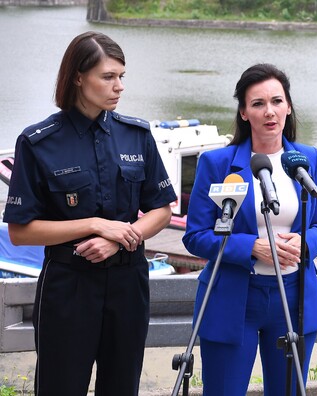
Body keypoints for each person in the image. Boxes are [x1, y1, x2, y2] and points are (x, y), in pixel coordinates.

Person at [3, 31, 177, 396]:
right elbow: (21, 232)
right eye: (108, 77)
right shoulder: (38, 142)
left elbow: (161, 209)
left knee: (121, 388)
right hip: (69, 286)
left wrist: (119, 240)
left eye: (121, 77)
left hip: (129, 283)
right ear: (78, 77)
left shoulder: (136, 135)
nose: (119, 87)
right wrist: (95, 225)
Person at [182, 63, 317, 395]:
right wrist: (251, 247)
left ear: (289, 107)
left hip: (294, 296)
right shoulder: (217, 164)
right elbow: (195, 236)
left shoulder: (307, 159)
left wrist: (305, 244)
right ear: (243, 112)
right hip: (233, 296)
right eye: (258, 103)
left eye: (277, 101)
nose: (270, 112)